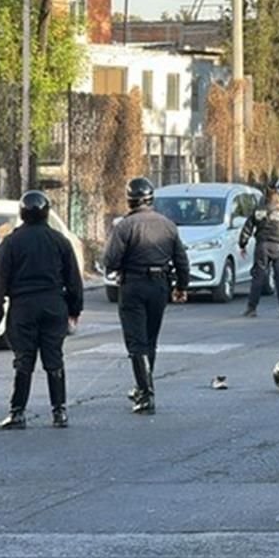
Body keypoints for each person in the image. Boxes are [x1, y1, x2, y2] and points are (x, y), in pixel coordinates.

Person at [0, 191, 83, 430]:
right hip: (53, 304)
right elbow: (73, 279)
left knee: (23, 360)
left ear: (22, 213)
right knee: (54, 358)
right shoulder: (60, 241)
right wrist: (74, 308)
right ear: (47, 213)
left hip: (23, 306)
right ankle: (59, 411)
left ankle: (17, 412)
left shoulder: (11, 243)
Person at [103, 177, 190, 415]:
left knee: (136, 342)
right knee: (150, 339)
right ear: (152, 199)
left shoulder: (124, 226)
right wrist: (182, 286)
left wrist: (119, 268)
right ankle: (143, 385)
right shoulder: (168, 225)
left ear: (129, 200)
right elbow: (182, 260)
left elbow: (110, 261)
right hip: (160, 285)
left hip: (133, 285)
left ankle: (145, 393)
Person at [239, 185, 279, 318]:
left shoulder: (258, 211)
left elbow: (247, 228)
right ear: (276, 196)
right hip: (277, 247)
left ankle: (251, 308)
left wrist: (242, 244)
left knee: (258, 277)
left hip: (262, 246)